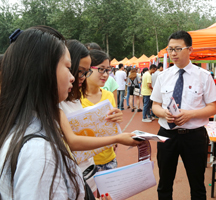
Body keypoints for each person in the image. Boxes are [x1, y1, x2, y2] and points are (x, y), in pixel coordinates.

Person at [0, 26, 86, 199]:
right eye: (68, 67)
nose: (73, 77)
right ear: (43, 70)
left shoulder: (20, 129)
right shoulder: (39, 152)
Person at [59, 40, 140, 196]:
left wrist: (116, 120)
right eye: (80, 71)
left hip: (92, 168)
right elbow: (72, 141)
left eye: (107, 70)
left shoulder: (78, 98)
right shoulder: (59, 102)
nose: (81, 77)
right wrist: (118, 138)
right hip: (77, 172)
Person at [151, 30, 216, 200]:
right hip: (166, 135)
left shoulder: (203, 76)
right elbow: (155, 106)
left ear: (190, 50)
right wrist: (164, 113)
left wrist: (190, 114)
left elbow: (212, 108)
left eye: (178, 49)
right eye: (170, 49)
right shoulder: (162, 76)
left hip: (194, 137)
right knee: (164, 183)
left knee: (197, 184)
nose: (173, 53)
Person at [81, 49, 121, 175]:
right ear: (88, 68)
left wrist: (117, 120)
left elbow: (112, 126)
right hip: (86, 163)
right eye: (101, 69)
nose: (105, 74)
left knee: (109, 195)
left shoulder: (108, 95)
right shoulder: (75, 98)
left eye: (108, 70)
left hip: (108, 159)